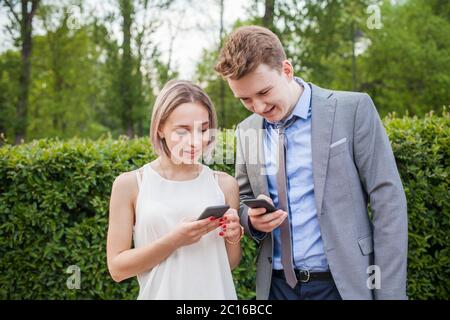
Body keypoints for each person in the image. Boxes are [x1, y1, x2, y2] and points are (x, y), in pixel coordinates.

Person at [215, 25, 408, 300]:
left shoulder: (352, 110)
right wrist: (253, 220)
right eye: (245, 99)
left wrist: (389, 294)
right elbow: (244, 199)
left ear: (287, 70)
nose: (258, 107)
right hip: (276, 288)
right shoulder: (246, 130)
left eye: (264, 92)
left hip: (343, 286)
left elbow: (388, 201)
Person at [106, 80, 243, 299]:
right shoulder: (130, 185)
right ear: (160, 128)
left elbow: (229, 263)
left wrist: (233, 236)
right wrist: (175, 240)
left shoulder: (225, 184)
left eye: (203, 129)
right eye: (183, 131)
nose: (195, 141)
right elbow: (117, 269)